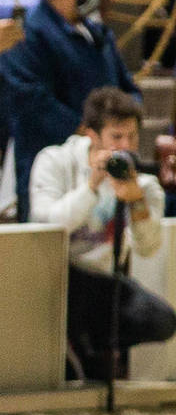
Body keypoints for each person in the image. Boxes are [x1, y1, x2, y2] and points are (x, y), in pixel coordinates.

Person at [30, 87, 174, 380]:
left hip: (105, 282)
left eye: (132, 136)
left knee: (162, 321)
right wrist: (91, 187)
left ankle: (91, 347)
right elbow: (48, 225)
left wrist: (136, 203)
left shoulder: (143, 183)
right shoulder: (55, 161)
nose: (126, 146)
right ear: (91, 135)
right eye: (116, 137)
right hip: (56, 278)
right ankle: (82, 351)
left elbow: (148, 248)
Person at [2, 0, 137, 221]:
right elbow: (31, 99)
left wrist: (125, 122)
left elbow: (127, 88)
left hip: (106, 166)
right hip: (52, 170)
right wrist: (88, 131)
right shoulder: (27, 33)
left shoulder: (98, 34)